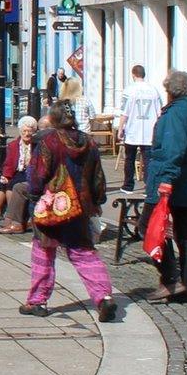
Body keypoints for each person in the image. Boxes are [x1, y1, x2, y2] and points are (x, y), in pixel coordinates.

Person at [22, 103, 117, 322]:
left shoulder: (49, 142)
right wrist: (97, 200)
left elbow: (37, 175)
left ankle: (38, 301)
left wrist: (34, 197)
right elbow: (98, 177)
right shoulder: (89, 142)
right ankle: (103, 296)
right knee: (84, 252)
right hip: (80, 206)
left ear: (53, 121)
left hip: (51, 205)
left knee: (44, 252)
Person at [146, 70, 187, 304]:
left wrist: (167, 179)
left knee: (150, 226)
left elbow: (173, 149)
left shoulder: (176, 114)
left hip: (171, 181)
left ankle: (171, 278)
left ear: (170, 92)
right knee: (186, 233)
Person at [114, 64, 162, 192]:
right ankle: (149, 187)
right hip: (149, 131)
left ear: (133, 75)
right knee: (148, 160)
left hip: (133, 130)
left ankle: (128, 185)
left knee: (129, 159)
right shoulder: (154, 90)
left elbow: (124, 112)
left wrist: (120, 128)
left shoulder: (129, 90)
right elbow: (159, 113)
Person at [0, 115, 39, 233]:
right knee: (1, 186)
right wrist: (6, 176)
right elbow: (9, 163)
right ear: (20, 131)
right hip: (16, 171)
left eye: (29, 131)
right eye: (24, 131)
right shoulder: (13, 145)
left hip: (28, 173)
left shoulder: (37, 146)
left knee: (12, 187)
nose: (27, 134)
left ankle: (10, 220)